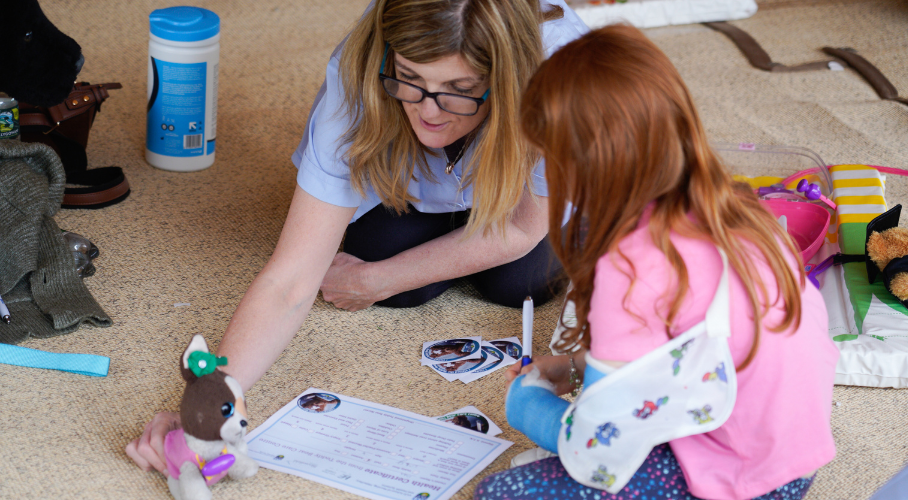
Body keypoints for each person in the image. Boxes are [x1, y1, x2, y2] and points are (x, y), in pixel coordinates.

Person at [126, 0, 588, 474]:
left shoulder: (558, 80)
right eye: (410, 78)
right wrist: (209, 407)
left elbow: (518, 227)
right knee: (388, 263)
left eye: (459, 90)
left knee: (519, 283)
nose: (428, 110)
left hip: (518, 196)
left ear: (503, 80)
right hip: (410, 181)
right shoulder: (360, 76)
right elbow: (289, 282)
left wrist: (378, 280)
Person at [480, 24, 839, 500]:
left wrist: (529, 406)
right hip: (795, 458)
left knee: (502, 491)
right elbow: (681, 350)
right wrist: (574, 366)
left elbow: (594, 450)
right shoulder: (739, 208)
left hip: (738, 479)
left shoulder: (627, 266)